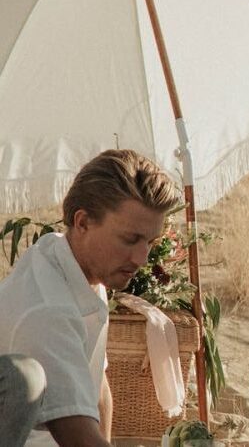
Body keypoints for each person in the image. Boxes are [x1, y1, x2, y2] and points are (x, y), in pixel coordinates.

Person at [0, 149, 179, 447]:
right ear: (82, 222)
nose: (141, 258)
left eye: (150, 242)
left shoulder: (68, 261)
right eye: (130, 239)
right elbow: (79, 439)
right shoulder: (47, 309)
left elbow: (97, 391)